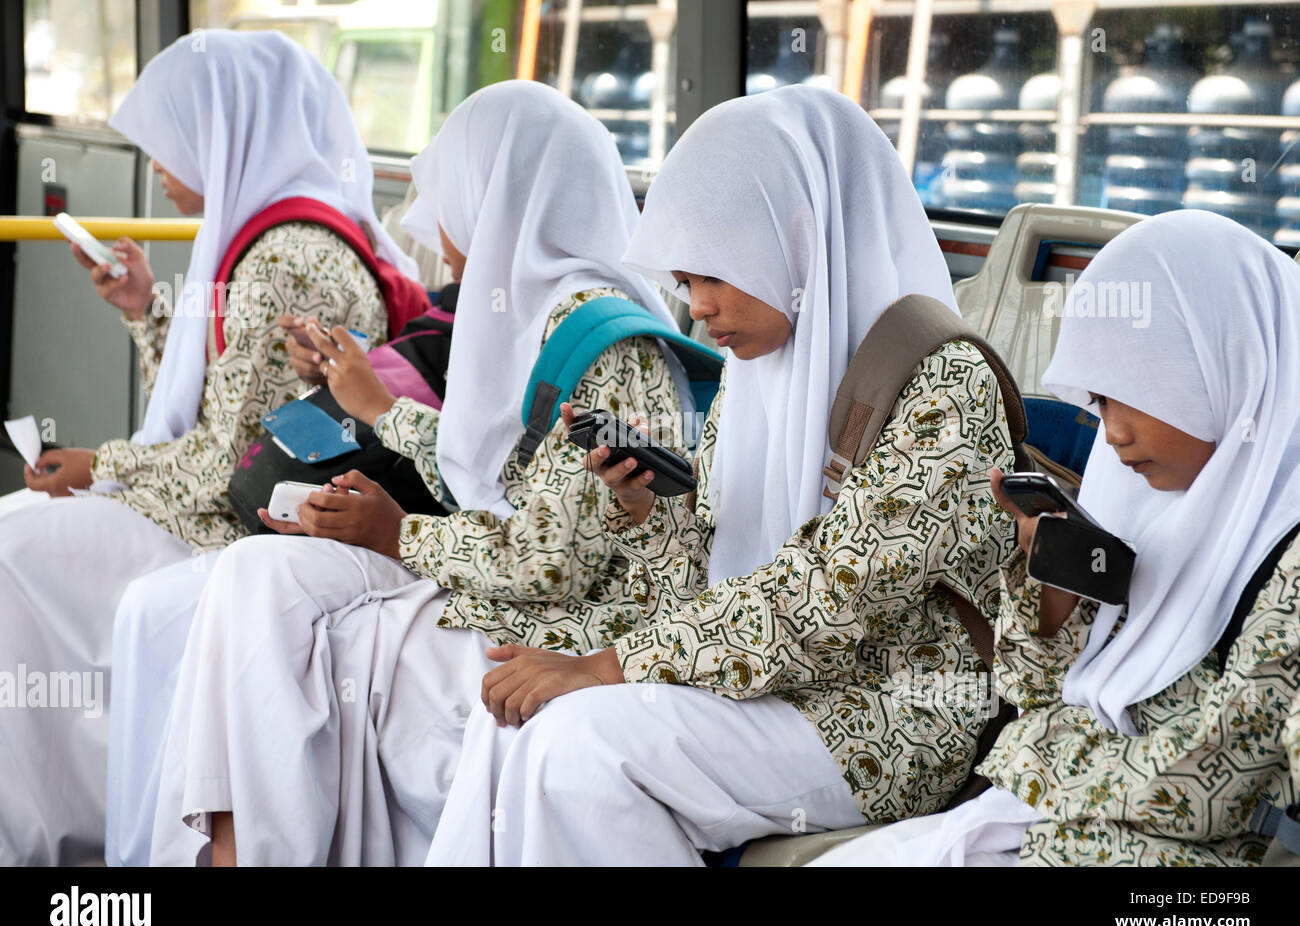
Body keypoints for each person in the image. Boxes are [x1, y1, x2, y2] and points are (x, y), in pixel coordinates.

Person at [423, 84, 1018, 866]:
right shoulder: (762, 367)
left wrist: (610, 667)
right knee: (511, 724)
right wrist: (648, 511)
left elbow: (826, 600)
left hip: (881, 715)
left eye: (713, 277)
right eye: (685, 283)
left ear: (794, 238)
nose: (697, 310)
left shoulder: (944, 386)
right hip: (755, 681)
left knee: (579, 748)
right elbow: (713, 568)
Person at [142, 80, 694, 866]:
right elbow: (503, 473)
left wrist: (399, 536)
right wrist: (373, 409)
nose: (439, 228)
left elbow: (547, 564)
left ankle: (241, 854)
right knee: (254, 573)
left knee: (275, 610)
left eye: (454, 195)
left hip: (559, 624)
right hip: (493, 581)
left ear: (494, 193)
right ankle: (239, 852)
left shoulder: (598, 339)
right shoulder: (542, 310)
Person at [0, 30, 420, 865]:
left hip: (239, 523)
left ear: (229, 134)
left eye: (174, 140)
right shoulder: (281, 235)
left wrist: (100, 464)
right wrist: (146, 310)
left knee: (15, 544)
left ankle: (39, 823)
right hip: (226, 499)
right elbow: (226, 410)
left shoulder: (279, 256)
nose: (158, 163)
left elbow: (223, 461)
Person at [813, 209, 1300, 867]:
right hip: (1057, 823)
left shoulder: (1287, 556)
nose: (1114, 431)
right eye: (1101, 401)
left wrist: (1033, 752)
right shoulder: (1134, 488)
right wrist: (1051, 599)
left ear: (1227, 368)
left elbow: (1206, 790)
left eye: (1138, 395)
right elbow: (1027, 689)